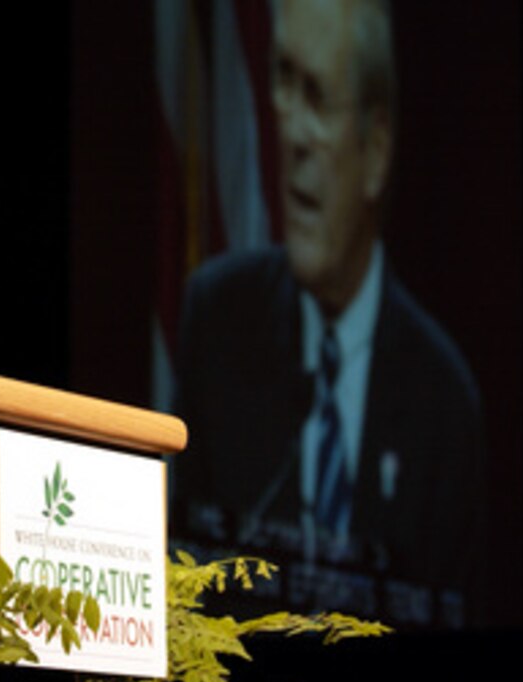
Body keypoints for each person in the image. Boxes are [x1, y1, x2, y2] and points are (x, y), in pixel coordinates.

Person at [171, 0, 485, 629]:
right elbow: (183, 571)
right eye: (283, 82)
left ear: (375, 148)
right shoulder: (218, 319)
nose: (292, 134)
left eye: (318, 96)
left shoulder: (443, 398)